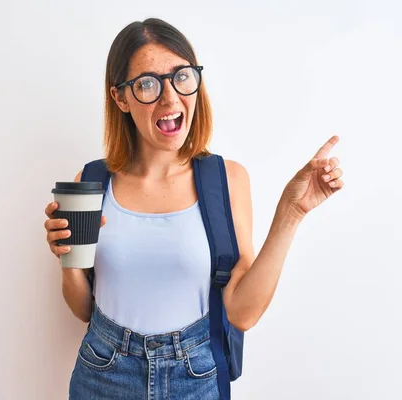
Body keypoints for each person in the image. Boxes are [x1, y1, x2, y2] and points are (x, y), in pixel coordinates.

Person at [43, 18, 344, 400]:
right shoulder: (91, 181)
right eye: (147, 84)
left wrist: (292, 212)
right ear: (120, 98)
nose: (170, 99)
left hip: (194, 375)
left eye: (180, 77)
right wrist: (66, 260)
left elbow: (242, 313)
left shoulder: (226, 180)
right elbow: (82, 309)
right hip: (103, 372)